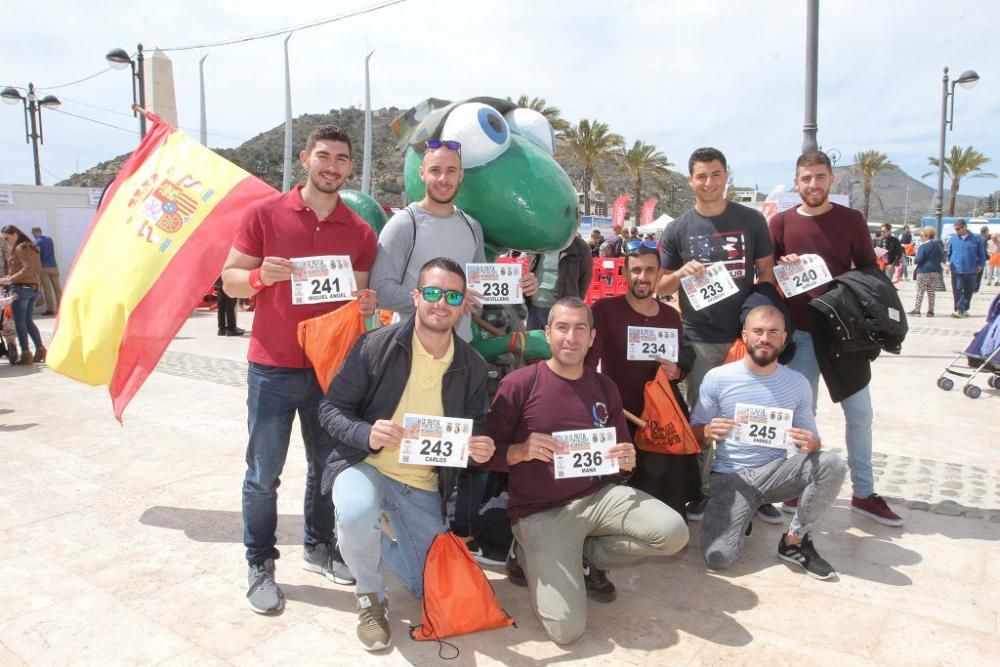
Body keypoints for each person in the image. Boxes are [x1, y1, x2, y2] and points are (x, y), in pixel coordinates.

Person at [221, 124, 378, 615]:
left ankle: (318, 545)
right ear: (307, 159)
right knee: (263, 473)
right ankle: (259, 563)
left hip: (331, 372)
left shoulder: (360, 231)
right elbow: (229, 283)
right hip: (272, 368)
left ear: (349, 167)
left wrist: (367, 303)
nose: (331, 166)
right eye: (323, 156)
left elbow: (358, 300)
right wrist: (257, 276)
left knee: (324, 468)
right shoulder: (263, 214)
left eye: (341, 159)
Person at [487, 297, 689, 645]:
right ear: (547, 334)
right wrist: (519, 451)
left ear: (592, 337)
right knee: (566, 631)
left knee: (673, 533)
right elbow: (484, 454)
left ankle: (587, 553)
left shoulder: (604, 387)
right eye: (562, 328)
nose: (571, 337)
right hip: (541, 512)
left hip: (598, 497)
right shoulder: (520, 384)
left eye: (580, 328)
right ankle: (524, 551)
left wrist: (626, 462)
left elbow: (621, 456)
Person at [318, 258, 495, 651]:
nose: (440, 303)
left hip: (421, 482)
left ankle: (360, 539)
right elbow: (329, 410)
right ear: (416, 297)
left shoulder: (473, 365)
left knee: (423, 587)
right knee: (356, 512)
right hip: (364, 463)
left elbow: (474, 428)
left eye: (452, 295)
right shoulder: (375, 345)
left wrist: (478, 448)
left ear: (463, 303)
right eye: (432, 292)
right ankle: (369, 597)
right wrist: (367, 432)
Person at [770, 150, 903, 526]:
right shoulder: (780, 223)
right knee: (801, 415)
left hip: (846, 337)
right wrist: (781, 269)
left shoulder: (851, 220)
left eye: (819, 177)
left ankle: (864, 492)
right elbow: (765, 277)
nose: (813, 184)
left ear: (832, 180)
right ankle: (797, 483)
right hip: (802, 336)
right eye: (806, 178)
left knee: (859, 414)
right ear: (796, 182)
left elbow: (868, 272)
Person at [656, 147, 776, 520]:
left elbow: (767, 277)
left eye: (716, 174)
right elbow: (660, 288)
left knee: (756, 414)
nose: (709, 182)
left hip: (746, 338)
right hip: (700, 338)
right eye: (701, 176)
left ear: (727, 176)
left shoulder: (752, 220)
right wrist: (679, 275)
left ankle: (759, 490)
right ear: (690, 180)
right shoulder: (677, 229)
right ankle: (705, 490)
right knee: (705, 417)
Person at [692, 305, 847, 579]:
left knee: (832, 465)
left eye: (773, 332)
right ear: (745, 335)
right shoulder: (718, 378)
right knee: (719, 559)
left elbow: (812, 439)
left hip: (775, 473)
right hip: (730, 477)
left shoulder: (797, 383)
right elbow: (693, 434)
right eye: (758, 331)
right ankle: (742, 516)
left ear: (784, 338)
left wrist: (811, 443)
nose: (765, 338)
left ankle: (795, 540)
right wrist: (706, 431)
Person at [370, 139, 537, 341]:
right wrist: (443, 299)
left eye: (450, 171)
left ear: (461, 175)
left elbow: (479, 297)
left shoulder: (472, 227)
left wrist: (519, 285)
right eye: (435, 170)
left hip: (461, 348)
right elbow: (380, 290)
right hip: (411, 349)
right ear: (422, 173)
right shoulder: (403, 224)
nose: (443, 178)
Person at [584, 239, 699, 518]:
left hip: (659, 418)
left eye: (649, 270)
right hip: (619, 414)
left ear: (660, 275)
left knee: (663, 504)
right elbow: (587, 366)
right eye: (635, 270)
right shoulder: (604, 311)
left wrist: (678, 370)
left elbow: (681, 356)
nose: (642, 277)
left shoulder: (672, 317)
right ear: (624, 273)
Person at [525, 234, 593, 330]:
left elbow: (584, 281)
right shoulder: (539, 242)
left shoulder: (580, 247)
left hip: (561, 309)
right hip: (533, 307)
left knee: (556, 343)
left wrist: (572, 302)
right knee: (532, 342)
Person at [0, 225, 45, 364]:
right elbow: (34, 269)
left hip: (21, 289)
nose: (6, 242)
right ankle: (40, 349)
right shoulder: (31, 247)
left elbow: (28, 268)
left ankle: (26, 354)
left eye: (7, 238)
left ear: (15, 234)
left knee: (20, 322)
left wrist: (10, 279)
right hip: (32, 288)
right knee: (27, 321)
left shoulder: (21, 248)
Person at [946, 219, 986, 317]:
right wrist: (948, 263)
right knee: (958, 289)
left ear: (965, 227)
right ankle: (959, 309)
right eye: (955, 229)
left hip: (971, 269)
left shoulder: (976, 239)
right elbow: (948, 253)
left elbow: (981, 254)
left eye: (958, 229)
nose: (957, 231)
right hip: (956, 269)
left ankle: (964, 308)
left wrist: (981, 264)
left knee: (969, 290)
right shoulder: (953, 239)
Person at [910, 226, 944, 317]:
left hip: (923, 271)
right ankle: (930, 311)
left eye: (921, 235)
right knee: (931, 291)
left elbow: (918, 260)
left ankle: (917, 310)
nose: (920, 238)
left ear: (927, 236)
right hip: (935, 271)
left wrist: (916, 255)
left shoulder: (923, 246)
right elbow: (942, 258)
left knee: (920, 291)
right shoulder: (937, 246)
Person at [30, 227, 60, 315]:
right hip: (54, 267)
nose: (33, 235)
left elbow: (37, 255)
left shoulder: (37, 242)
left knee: (47, 290)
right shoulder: (49, 239)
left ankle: (51, 309)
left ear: (36, 232)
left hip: (44, 268)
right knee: (58, 289)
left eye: (33, 233)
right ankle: (62, 308)